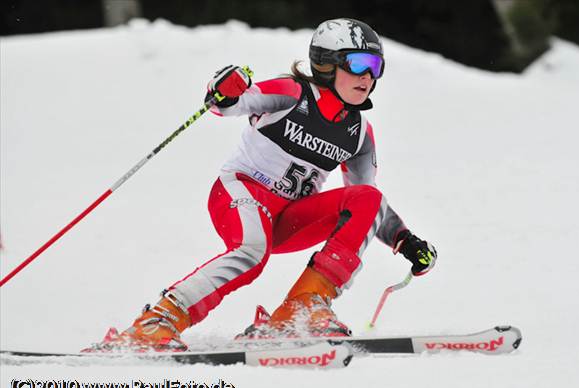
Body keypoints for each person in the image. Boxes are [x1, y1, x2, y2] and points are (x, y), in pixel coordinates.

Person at [93, 18, 437, 352]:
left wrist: (403, 239)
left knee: (368, 198)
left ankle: (302, 306)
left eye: (376, 67)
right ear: (327, 64)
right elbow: (229, 104)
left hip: (289, 219)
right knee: (252, 252)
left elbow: (368, 204)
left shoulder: (359, 135)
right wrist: (224, 89)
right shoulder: (292, 93)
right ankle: (160, 319)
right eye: (359, 63)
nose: (368, 76)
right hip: (240, 193)